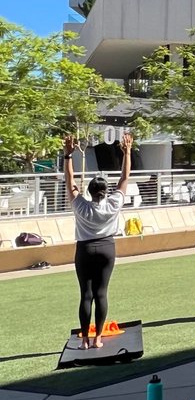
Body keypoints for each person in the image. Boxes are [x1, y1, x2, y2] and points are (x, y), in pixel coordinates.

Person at [64, 132, 132, 349]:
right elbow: (124, 179)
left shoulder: (82, 205)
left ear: (90, 191)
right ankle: (98, 339)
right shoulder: (113, 204)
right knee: (101, 293)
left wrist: (68, 156)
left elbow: (70, 182)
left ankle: (84, 340)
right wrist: (127, 152)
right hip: (106, 247)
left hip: (84, 249)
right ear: (105, 191)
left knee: (86, 294)